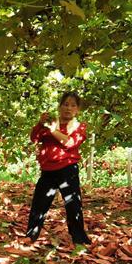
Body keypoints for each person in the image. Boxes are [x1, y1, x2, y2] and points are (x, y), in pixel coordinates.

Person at [25, 91, 92, 246]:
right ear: (60, 106)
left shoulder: (78, 126)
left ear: (77, 110)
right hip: (48, 170)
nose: (68, 108)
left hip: (67, 169)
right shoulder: (50, 123)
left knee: (73, 205)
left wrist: (53, 130)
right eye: (65, 104)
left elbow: (70, 143)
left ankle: (79, 239)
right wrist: (40, 124)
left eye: (73, 105)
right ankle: (31, 236)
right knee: (39, 204)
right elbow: (34, 138)